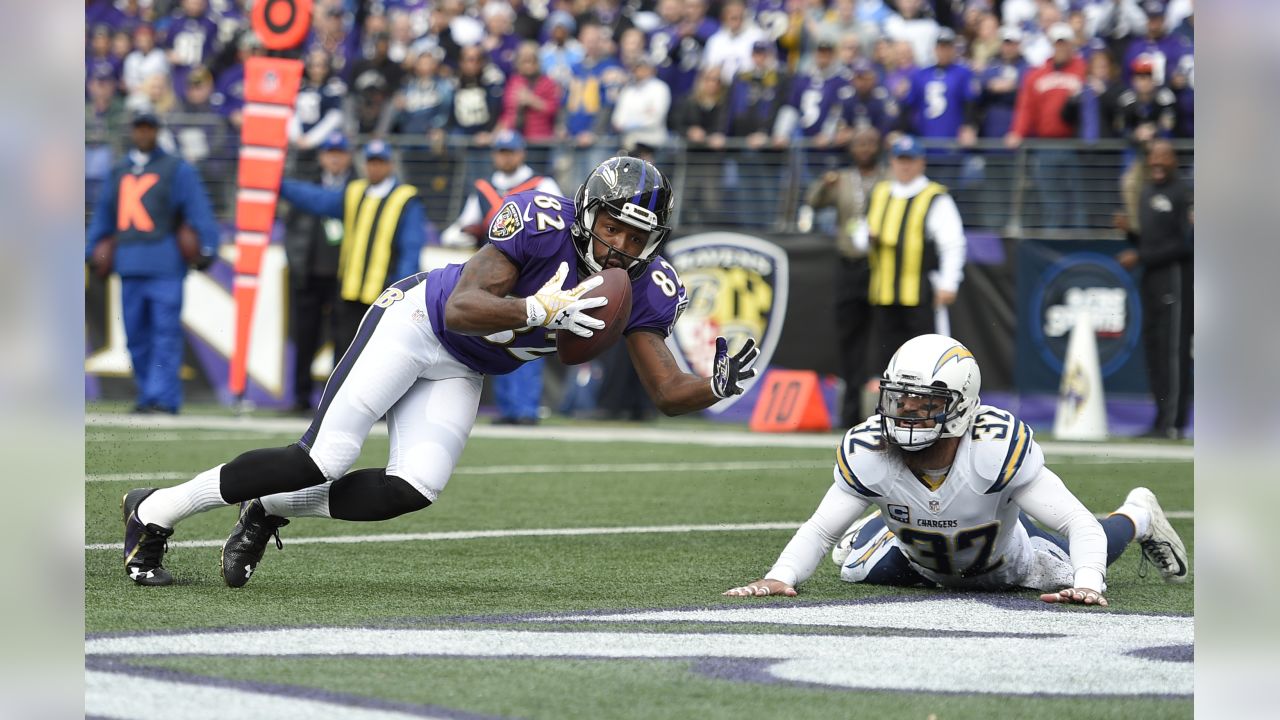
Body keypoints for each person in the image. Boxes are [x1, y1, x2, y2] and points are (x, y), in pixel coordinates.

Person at [120, 156, 761, 587]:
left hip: (465, 366)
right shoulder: (538, 221)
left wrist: (718, 384)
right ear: (589, 211)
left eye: (637, 237)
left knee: (415, 486)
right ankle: (155, 509)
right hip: (418, 324)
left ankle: (268, 508)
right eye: (613, 227)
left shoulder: (647, 284)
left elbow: (667, 390)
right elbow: (460, 308)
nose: (622, 246)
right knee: (325, 456)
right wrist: (536, 307)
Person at [724, 334, 1189, 603]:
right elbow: (820, 529)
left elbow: (1075, 522)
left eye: (923, 403)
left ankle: (1139, 514)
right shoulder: (871, 449)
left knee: (1093, 554)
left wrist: (1087, 585)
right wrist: (780, 576)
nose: (905, 413)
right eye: (898, 399)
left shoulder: (992, 448)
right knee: (848, 563)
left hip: (1009, 561)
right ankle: (882, 527)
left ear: (960, 407)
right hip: (921, 564)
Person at [84, 111, 220, 415]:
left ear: (157, 132)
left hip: (165, 263)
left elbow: (198, 208)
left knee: (165, 333)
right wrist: (91, 250)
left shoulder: (176, 168)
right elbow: (104, 214)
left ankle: (164, 398)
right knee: (135, 336)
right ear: (132, 131)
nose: (144, 134)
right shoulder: (119, 171)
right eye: (139, 128)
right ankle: (148, 394)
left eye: (149, 128)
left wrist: (209, 245)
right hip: (129, 263)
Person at [440, 130, 564, 425]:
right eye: (500, 151)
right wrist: (466, 233)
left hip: (531, 271)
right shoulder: (483, 189)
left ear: (521, 154)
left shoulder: (541, 184)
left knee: (527, 334)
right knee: (499, 338)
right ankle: (509, 409)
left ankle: (526, 409)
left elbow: (561, 224)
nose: (505, 157)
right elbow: (458, 228)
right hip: (493, 273)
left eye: (510, 152)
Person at [278, 139, 426, 365]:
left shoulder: (406, 199)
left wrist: (402, 290)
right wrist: (279, 184)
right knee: (344, 357)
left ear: (390, 165)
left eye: (380, 162)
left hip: (383, 294)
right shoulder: (355, 192)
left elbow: (411, 248)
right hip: (349, 291)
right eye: (371, 162)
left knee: (378, 358)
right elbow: (316, 199)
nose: (375, 168)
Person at [854, 135, 965, 386]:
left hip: (921, 291)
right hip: (883, 291)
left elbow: (953, 242)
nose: (905, 166)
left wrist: (950, 282)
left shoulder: (935, 196)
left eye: (910, 160)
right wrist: (866, 237)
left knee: (925, 355)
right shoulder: (880, 192)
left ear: (921, 163)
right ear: (892, 162)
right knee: (887, 358)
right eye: (900, 160)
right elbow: (859, 233)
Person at [797, 127, 885, 427]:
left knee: (883, 338)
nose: (864, 148)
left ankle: (884, 411)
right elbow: (814, 201)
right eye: (859, 143)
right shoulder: (844, 180)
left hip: (881, 263)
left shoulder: (887, 179)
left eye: (870, 143)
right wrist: (824, 184)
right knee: (850, 339)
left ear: (878, 147)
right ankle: (849, 414)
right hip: (849, 264)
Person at [1115, 140, 1192, 439]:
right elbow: (1149, 241)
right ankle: (1160, 420)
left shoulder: (1181, 194)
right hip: (1151, 280)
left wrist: (1141, 256)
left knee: (1174, 352)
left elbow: (1185, 244)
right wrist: (1131, 234)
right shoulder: (1146, 192)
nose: (1157, 161)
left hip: (1175, 279)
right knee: (1155, 350)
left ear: (1174, 160)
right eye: (1152, 156)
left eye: (1164, 155)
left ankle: (1174, 423)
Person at [283, 132, 355, 414]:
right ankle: (300, 396)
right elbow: (291, 228)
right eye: (329, 152)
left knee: (345, 340)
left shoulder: (358, 187)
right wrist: (297, 261)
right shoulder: (307, 184)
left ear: (348, 156)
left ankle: (336, 400)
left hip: (344, 275)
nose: (334, 158)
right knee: (304, 336)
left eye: (340, 152)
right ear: (321, 156)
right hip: (310, 273)